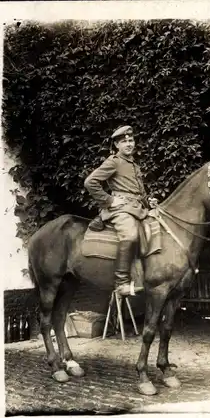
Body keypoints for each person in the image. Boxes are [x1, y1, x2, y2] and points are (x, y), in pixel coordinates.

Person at [84, 125, 156, 297]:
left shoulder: (135, 166)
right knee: (130, 235)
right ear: (117, 145)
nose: (129, 144)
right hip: (121, 210)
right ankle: (122, 282)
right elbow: (90, 182)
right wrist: (110, 200)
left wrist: (149, 202)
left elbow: (139, 192)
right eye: (124, 142)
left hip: (137, 209)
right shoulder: (113, 162)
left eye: (131, 140)